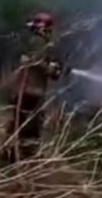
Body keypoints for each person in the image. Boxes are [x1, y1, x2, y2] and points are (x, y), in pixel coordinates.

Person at [4, 11, 66, 163]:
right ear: (44, 28)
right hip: (31, 90)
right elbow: (37, 62)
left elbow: (38, 62)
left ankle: (13, 150)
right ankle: (25, 154)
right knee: (31, 123)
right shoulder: (39, 42)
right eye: (49, 29)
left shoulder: (34, 42)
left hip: (25, 89)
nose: (50, 32)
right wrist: (52, 69)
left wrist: (56, 69)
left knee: (20, 120)